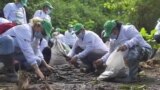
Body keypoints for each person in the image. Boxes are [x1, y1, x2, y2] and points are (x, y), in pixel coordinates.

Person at [0, 18, 53, 82]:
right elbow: (27, 50)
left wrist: (46, 64)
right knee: (8, 40)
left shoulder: (36, 37)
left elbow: (36, 50)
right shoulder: (25, 29)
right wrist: (37, 70)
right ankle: (10, 73)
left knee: (37, 60)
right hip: (3, 49)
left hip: (14, 52)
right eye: (43, 32)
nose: (43, 35)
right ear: (37, 26)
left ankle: (9, 69)